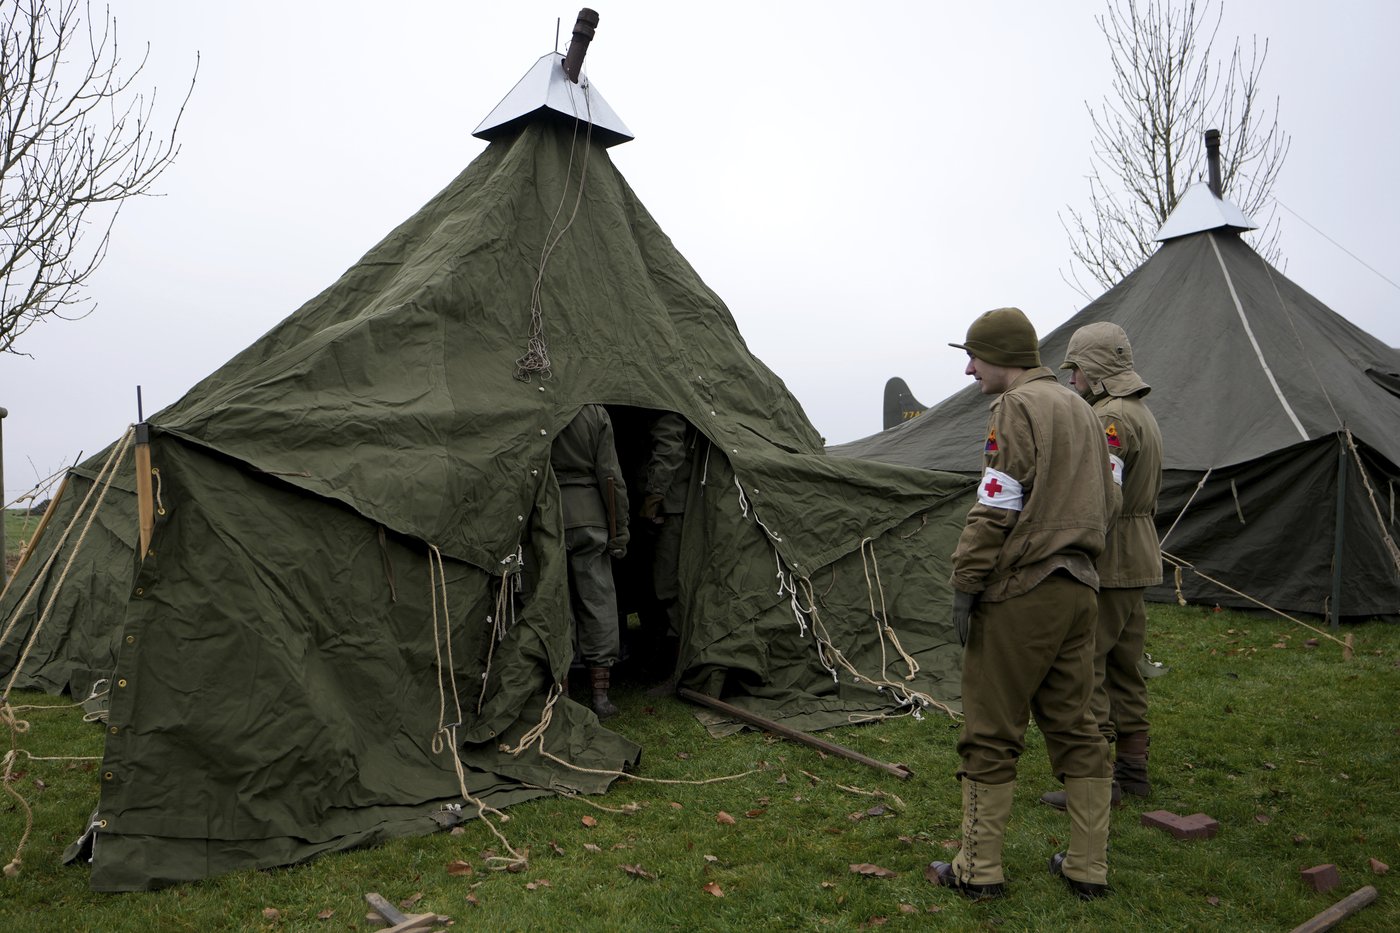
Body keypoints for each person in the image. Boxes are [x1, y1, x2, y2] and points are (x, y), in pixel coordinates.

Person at [928, 307, 1119, 901]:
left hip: (1024, 590)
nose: (968, 368)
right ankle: (1089, 866)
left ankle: (977, 869)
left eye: (975, 356)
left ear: (1002, 357)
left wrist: (966, 580)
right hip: (1080, 587)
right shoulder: (1083, 411)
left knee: (990, 725)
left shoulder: (1015, 407)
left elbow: (997, 501)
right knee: (1075, 723)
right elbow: (1109, 497)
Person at [1039, 322, 1163, 810]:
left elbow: (1106, 495)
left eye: (1077, 370)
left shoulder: (1109, 418)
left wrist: (1071, 540)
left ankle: (1099, 780)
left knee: (1086, 665)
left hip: (1111, 555)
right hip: (1139, 552)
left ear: (1097, 369)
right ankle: (1133, 770)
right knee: (1125, 665)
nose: (1072, 381)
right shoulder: (1139, 412)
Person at [551, 404, 630, 719]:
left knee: (556, 602)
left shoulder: (541, 405)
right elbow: (611, 476)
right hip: (591, 518)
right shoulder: (595, 414)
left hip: (549, 516)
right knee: (598, 601)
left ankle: (562, 692)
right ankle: (600, 696)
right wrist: (619, 529)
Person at [638, 411, 694, 690]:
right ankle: (660, 661)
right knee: (656, 587)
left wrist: (653, 497)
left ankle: (675, 671)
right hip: (666, 506)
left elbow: (670, 449)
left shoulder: (667, 409)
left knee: (668, 587)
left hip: (669, 508)